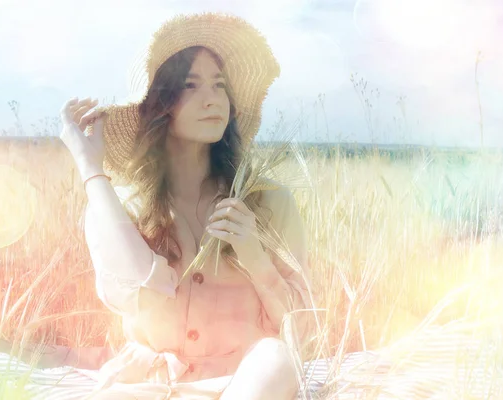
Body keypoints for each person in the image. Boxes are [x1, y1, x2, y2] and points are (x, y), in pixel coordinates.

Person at [59, 12, 314, 400]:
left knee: (277, 358)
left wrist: (255, 256)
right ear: (159, 104)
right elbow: (139, 290)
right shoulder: (120, 207)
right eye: (190, 85)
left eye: (219, 84)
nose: (212, 98)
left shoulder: (269, 202)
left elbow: (302, 332)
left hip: (243, 381)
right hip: (149, 383)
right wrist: (91, 170)